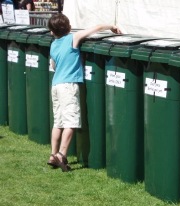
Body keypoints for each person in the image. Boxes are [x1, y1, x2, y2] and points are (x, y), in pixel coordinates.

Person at [46, 13, 122, 172]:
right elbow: (96, 28)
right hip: (68, 85)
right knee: (71, 121)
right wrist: (112, 27)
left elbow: (53, 66)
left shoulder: (53, 45)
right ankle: (62, 154)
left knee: (58, 122)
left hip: (56, 85)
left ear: (52, 32)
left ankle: (53, 155)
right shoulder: (72, 38)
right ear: (69, 27)